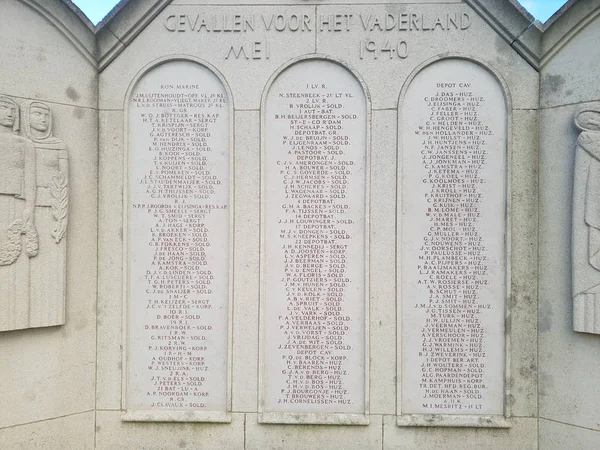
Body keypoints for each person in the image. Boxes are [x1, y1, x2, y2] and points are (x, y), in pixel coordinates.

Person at [23, 101, 68, 328]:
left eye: (45, 115)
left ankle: (47, 315)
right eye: (37, 114)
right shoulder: (21, 145)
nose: (42, 119)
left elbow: (64, 182)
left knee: (48, 268)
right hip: (24, 209)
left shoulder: (58, 145)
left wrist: (62, 218)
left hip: (52, 209)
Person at [0, 96, 38, 331]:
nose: (8, 113)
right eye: (3, 108)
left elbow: (31, 180)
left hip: (14, 207)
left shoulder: (25, 145)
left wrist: (29, 211)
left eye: (12, 110)